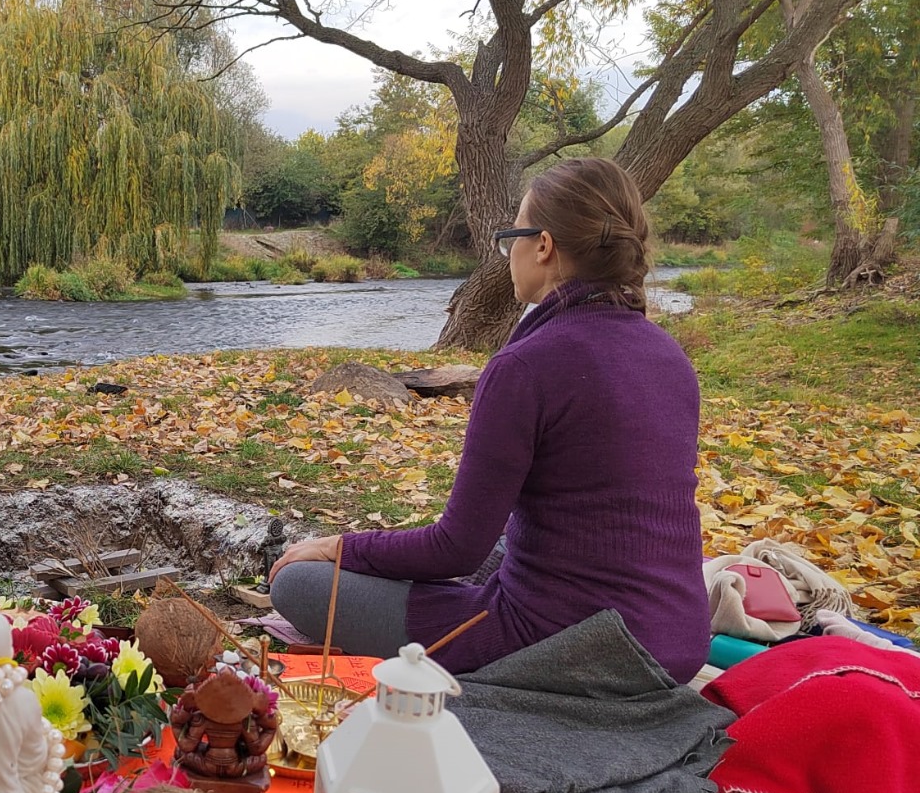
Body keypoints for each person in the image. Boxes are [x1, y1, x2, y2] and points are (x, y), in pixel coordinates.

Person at [269, 157, 710, 684]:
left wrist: (338, 546)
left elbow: (454, 549)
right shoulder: (669, 354)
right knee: (504, 545)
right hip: (679, 638)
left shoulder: (526, 365)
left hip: (572, 644)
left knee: (298, 583)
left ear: (543, 245)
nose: (509, 254)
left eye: (511, 238)